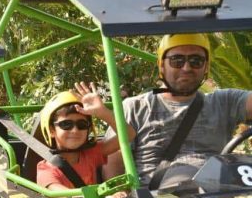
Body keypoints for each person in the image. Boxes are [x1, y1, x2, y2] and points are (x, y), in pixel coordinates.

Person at [105, 33, 252, 186]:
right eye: (177, 61)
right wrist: (119, 193)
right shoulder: (135, 107)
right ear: (162, 65)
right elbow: (112, 164)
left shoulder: (224, 101)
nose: (187, 68)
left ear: (206, 66)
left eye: (196, 61)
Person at [38, 84, 135, 198]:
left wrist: (103, 113)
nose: (75, 131)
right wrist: (105, 195)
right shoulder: (46, 168)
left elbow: (128, 134)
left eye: (82, 124)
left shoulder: (92, 153)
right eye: (66, 125)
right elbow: (60, 194)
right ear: (52, 129)